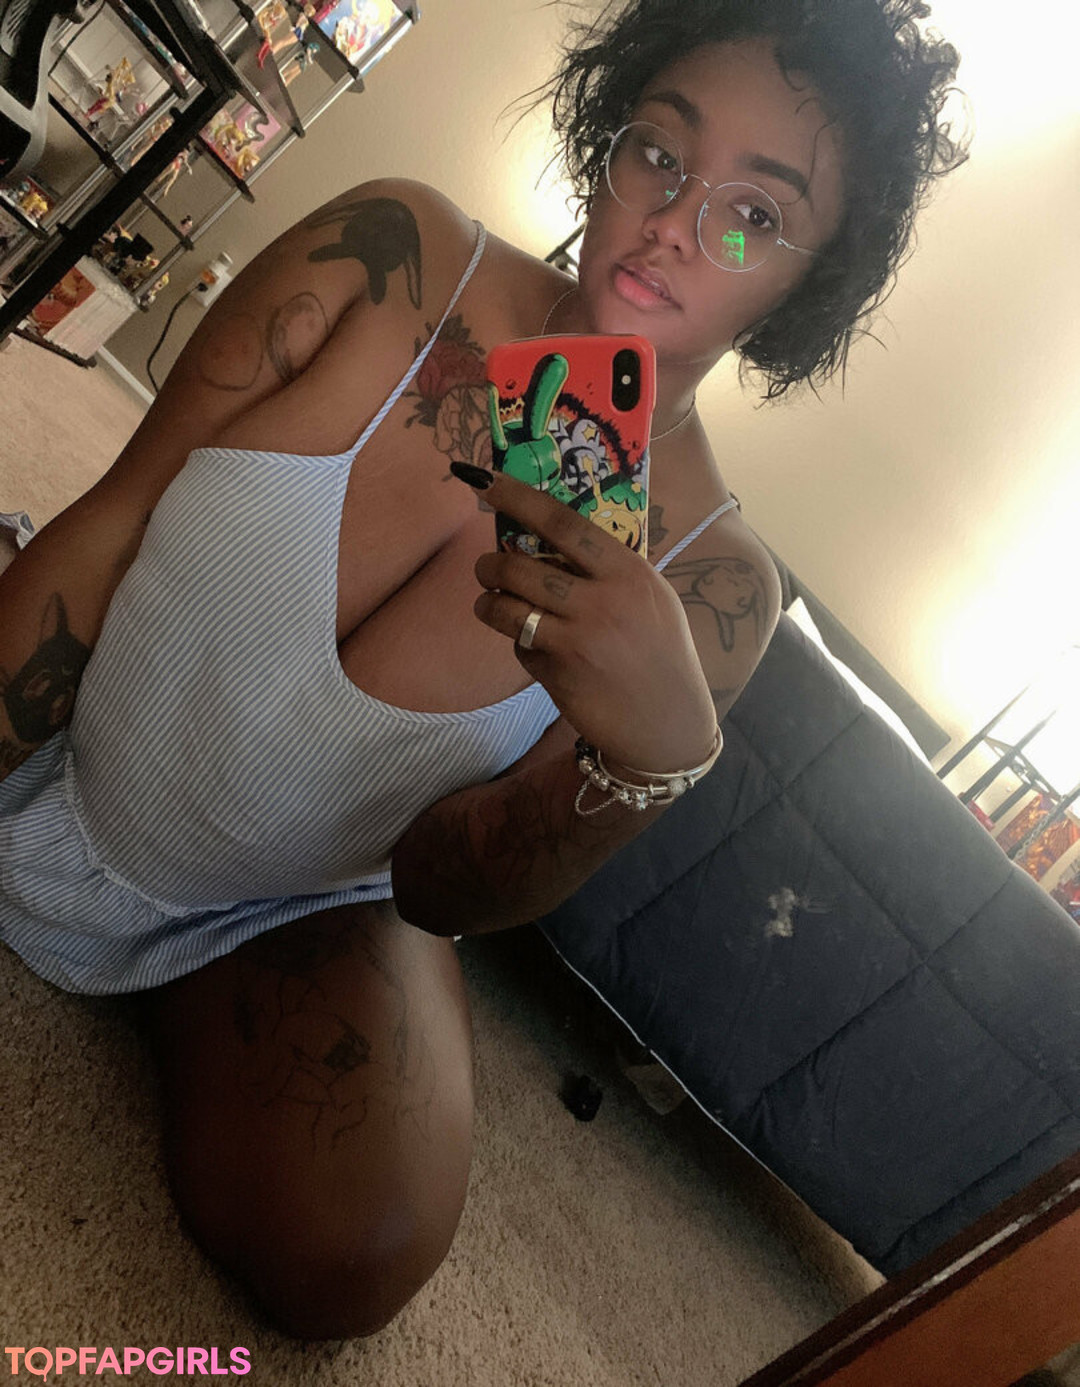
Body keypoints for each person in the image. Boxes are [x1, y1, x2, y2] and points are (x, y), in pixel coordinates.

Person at [0, 0, 965, 1341]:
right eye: (661, 153)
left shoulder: (715, 594)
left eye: (755, 215)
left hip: (285, 900)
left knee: (351, 1253)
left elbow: (445, 888)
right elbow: (114, 521)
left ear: (809, 284)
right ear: (608, 138)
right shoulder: (392, 253)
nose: (676, 223)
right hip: (94, 704)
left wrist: (642, 770)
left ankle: (183, 983)